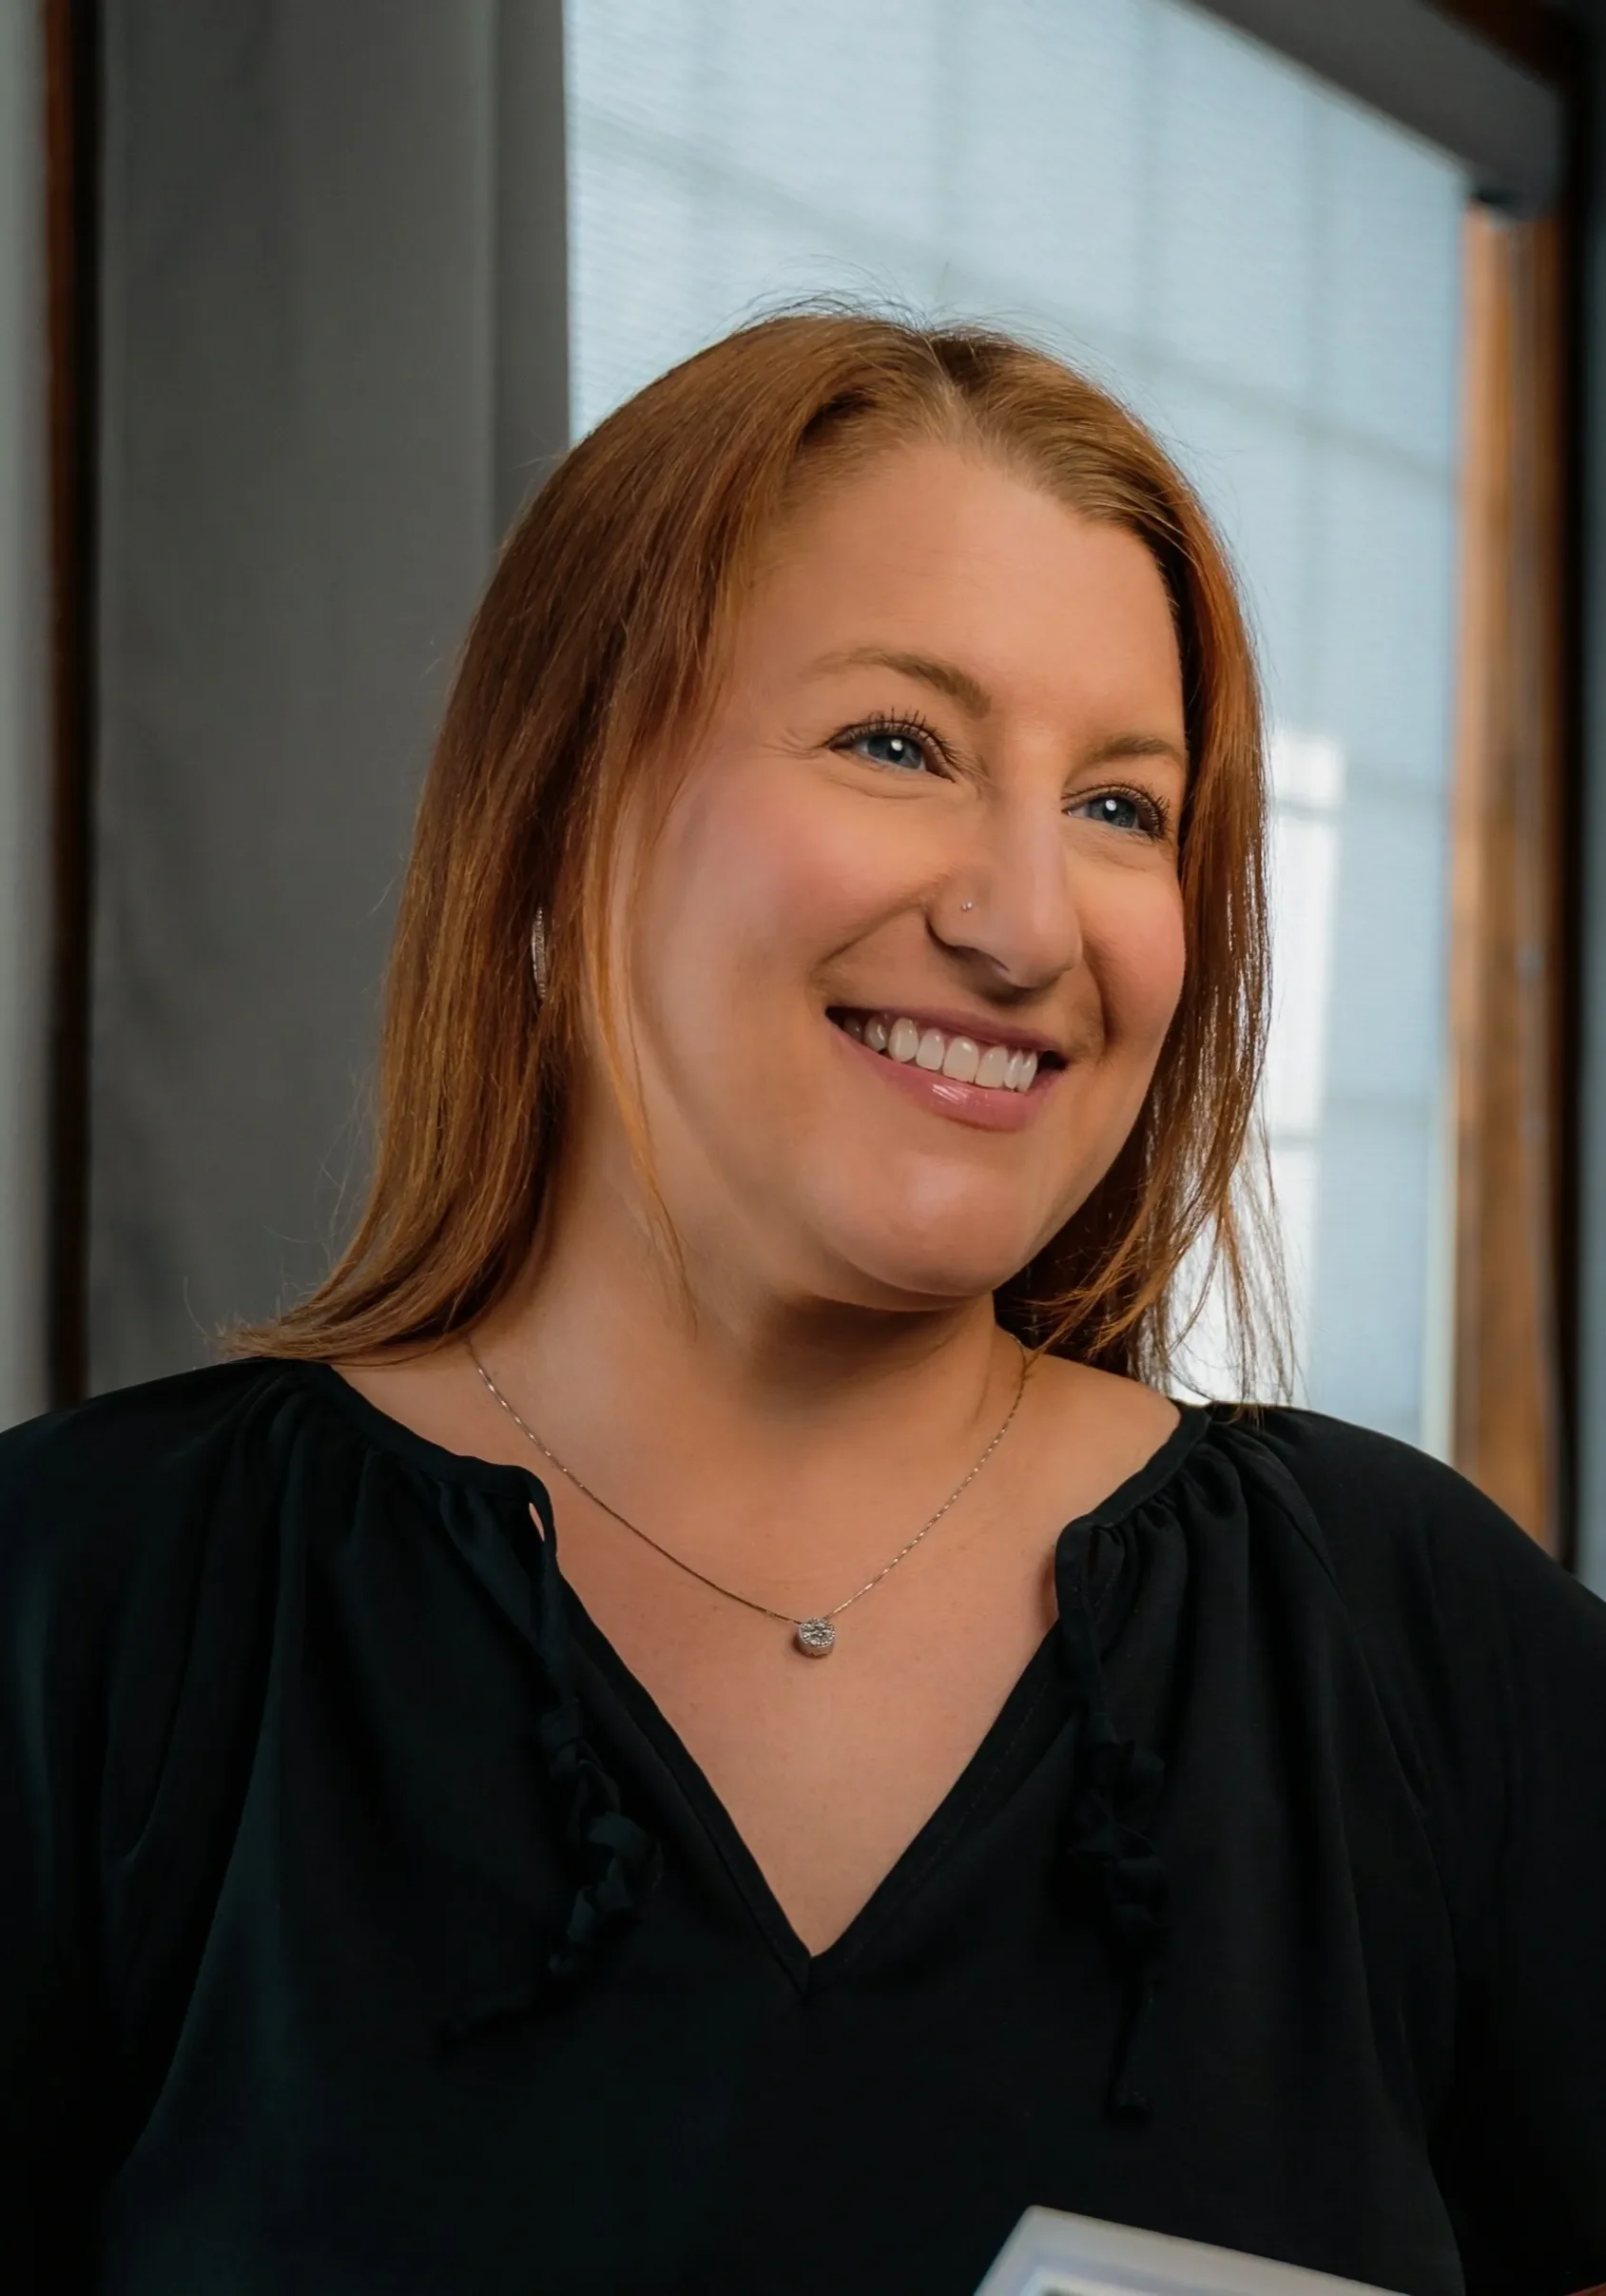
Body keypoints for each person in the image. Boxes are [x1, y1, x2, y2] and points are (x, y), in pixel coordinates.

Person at [3, 312, 1603, 2296]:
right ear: (562, 804)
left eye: (1121, 805)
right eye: (897, 744)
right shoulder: (79, 1611)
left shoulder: (1408, 1636)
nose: (1024, 923)